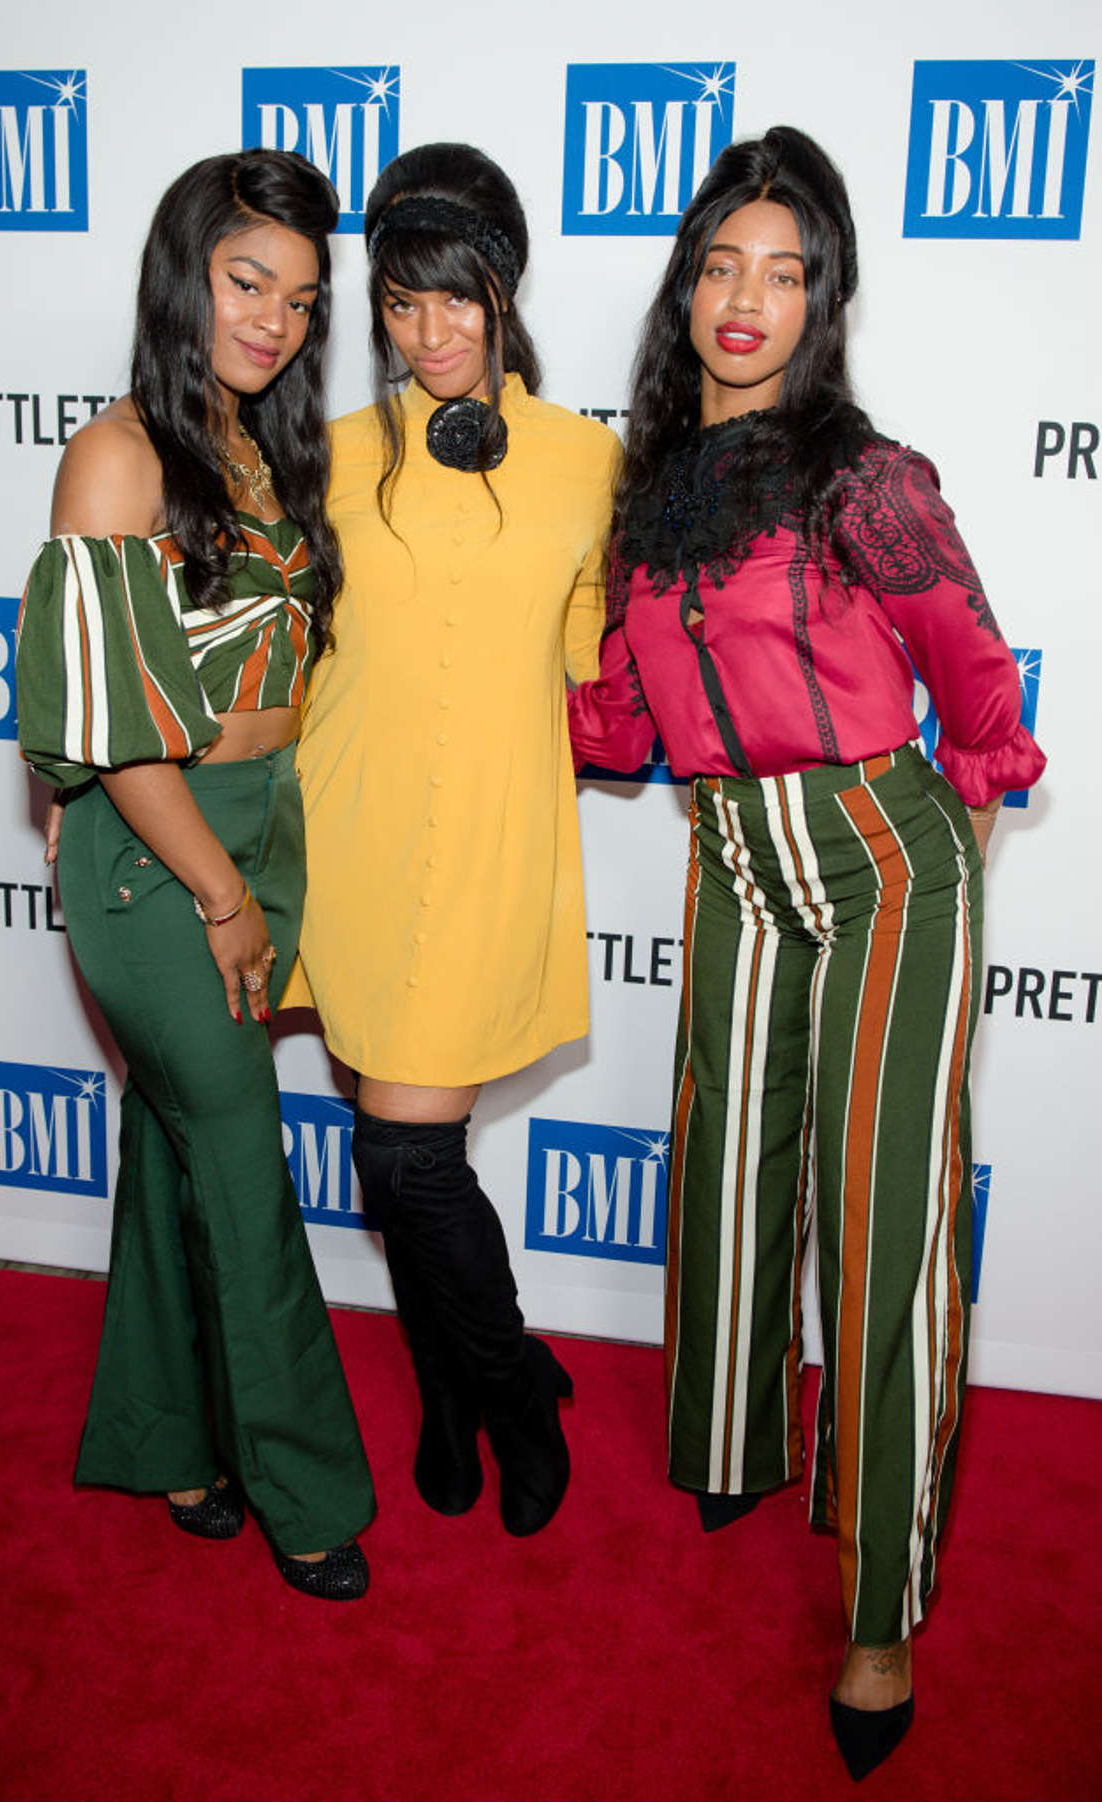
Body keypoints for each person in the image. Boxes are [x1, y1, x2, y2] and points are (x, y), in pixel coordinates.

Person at [567, 126, 1044, 1776]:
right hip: (731, 866)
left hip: (886, 867)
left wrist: (935, 866)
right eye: (722, 264)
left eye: (784, 271)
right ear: (684, 287)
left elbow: (981, 699)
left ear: (822, 298)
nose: (746, 298)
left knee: (885, 1223)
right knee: (726, 1168)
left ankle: (880, 1615)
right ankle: (737, 1441)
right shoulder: (644, 497)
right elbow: (619, 717)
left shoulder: (868, 482)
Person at [16, 149, 375, 1599]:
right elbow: (111, 730)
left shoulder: (263, 448)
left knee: (171, 1142)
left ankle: (165, 1437)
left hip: (257, 822)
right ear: (184, 274)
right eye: (245, 282)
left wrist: (256, 862)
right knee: (238, 1158)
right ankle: (305, 1488)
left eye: (300, 298)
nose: (273, 320)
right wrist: (221, 892)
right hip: (163, 850)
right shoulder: (119, 456)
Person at [280, 143, 619, 1537]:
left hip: (490, 837)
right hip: (347, 841)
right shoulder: (332, 455)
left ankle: (511, 1382)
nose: (430, 334)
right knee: (396, 1163)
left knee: (409, 1159)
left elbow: (594, 657)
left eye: (457, 299)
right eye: (401, 302)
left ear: (505, 292)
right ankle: (453, 1383)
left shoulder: (587, 460)